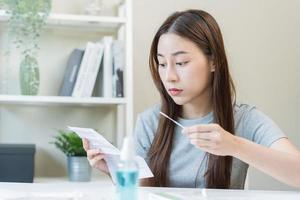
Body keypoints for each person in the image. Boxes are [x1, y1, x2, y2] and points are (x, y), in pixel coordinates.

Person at [82, 9, 300, 189]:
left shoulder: (245, 119)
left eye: (181, 63)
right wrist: (115, 170)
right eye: (163, 64)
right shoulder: (150, 122)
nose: (169, 77)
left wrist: (234, 145)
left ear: (213, 62)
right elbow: (144, 192)